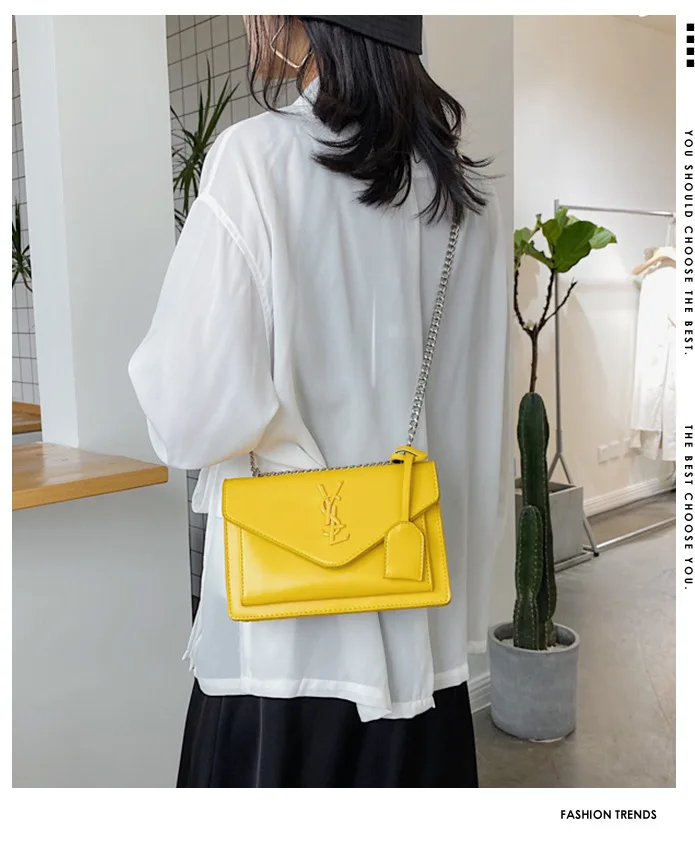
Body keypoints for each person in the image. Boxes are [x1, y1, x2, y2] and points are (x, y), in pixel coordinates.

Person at [129, 14, 509, 788]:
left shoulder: (256, 160)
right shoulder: (468, 199)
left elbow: (184, 415)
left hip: (285, 650)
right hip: (421, 635)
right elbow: (477, 420)